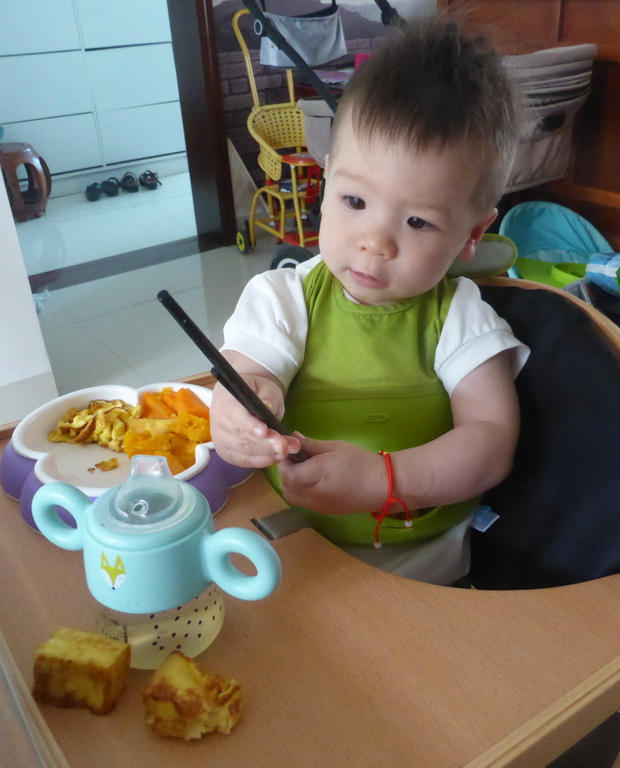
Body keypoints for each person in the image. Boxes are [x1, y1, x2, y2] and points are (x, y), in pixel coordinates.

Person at [211, 17, 529, 585]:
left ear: (473, 234)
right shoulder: (283, 298)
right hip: (288, 543)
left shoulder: (460, 317)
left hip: (420, 562)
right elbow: (243, 374)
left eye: (417, 221)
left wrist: (384, 478)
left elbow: (490, 443)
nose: (375, 242)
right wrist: (236, 412)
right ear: (326, 179)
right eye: (354, 199)